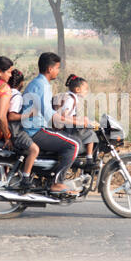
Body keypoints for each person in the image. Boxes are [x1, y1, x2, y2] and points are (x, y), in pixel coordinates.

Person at [21, 52, 90, 195]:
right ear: (49, 69)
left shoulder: (37, 83)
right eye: (57, 68)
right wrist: (77, 122)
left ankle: (48, 176)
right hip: (35, 130)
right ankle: (57, 183)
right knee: (74, 144)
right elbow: (51, 116)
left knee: (67, 139)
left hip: (33, 127)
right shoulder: (42, 86)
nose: (58, 71)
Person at [54, 74, 99, 169]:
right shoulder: (71, 100)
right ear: (77, 90)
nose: (87, 91)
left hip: (63, 127)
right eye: (85, 89)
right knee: (91, 134)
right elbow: (65, 116)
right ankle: (89, 159)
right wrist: (80, 122)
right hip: (67, 129)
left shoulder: (66, 96)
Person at [7, 69, 40, 189]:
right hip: (15, 131)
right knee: (34, 150)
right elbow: (11, 116)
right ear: (21, 83)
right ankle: (25, 178)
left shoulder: (6, 92)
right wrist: (29, 115)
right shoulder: (16, 96)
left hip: (10, 129)